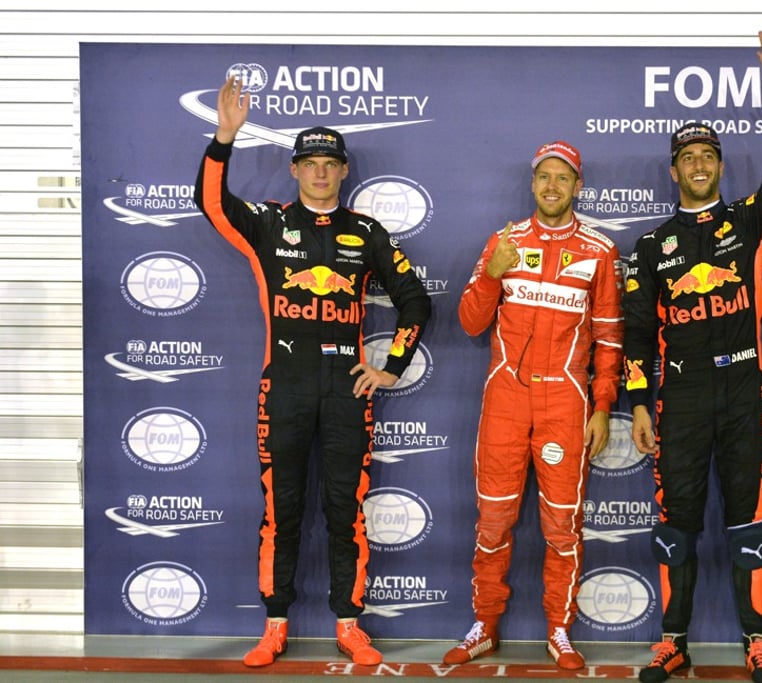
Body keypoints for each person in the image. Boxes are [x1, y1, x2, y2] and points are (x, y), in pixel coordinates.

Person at [195, 77, 431, 668]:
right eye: (311, 164)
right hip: (286, 389)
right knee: (282, 508)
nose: (321, 173)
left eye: (331, 164)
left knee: (345, 508)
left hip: (348, 393)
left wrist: (391, 366)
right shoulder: (269, 225)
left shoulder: (367, 233)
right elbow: (211, 203)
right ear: (295, 170)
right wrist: (224, 138)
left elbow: (416, 301)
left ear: (345, 171)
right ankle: (275, 623)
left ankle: (349, 623)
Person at [622, 25, 762, 683]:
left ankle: (757, 641)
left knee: (749, 521)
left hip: (743, 389)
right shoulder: (649, 247)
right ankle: (673, 640)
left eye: (708, 155)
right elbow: (638, 334)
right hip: (680, 398)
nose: (698, 164)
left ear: (719, 165)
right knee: (674, 526)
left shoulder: (748, 225)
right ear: (674, 170)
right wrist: (639, 403)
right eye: (687, 156)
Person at [445, 141, 624, 670]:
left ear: (577, 187)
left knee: (562, 529)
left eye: (562, 178)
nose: (552, 186)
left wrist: (602, 405)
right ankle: (484, 625)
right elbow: (471, 322)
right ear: (532, 184)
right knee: (493, 523)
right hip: (505, 402)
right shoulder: (504, 241)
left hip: (564, 407)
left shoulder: (599, 251)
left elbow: (610, 339)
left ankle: (559, 630)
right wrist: (492, 273)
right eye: (544, 177)